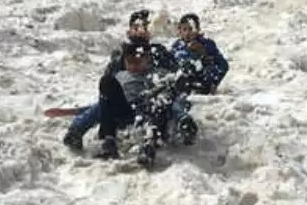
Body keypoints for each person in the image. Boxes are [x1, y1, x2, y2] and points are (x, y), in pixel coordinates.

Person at [63, 9, 178, 150]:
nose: (140, 32)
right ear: (129, 31)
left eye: (144, 28)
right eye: (136, 28)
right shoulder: (121, 53)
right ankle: (80, 132)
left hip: (147, 99)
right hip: (123, 99)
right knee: (103, 101)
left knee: (157, 107)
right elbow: (110, 80)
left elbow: (171, 74)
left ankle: (150, 141)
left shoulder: (158, 51)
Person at [96, 41, 196, 166]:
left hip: (149, 112)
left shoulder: (157, 74)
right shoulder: (121, 75)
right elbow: (103, 103)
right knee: (106, 82)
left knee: (158, 102)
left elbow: (174, 91)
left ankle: (148, 145)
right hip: (127, 110)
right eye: (129, 62)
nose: (133, 66)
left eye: (137, 62)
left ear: (147, 60)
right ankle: (109, 140)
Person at [170, 13, 228, 93]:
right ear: (180, 31)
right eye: (184, 29)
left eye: (191, 29)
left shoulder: (207, 44)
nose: (187, 33)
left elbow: (223, 65)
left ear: (197, 29)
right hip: (185, 86)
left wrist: (214, 83)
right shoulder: (177, 47)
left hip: (205, 83)